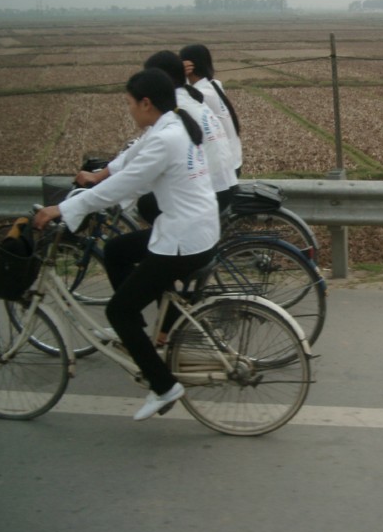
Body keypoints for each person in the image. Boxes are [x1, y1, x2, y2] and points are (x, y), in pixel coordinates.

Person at [34, 68, 219, 421]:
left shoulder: (166, 137)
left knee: (116, 311)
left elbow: (125, 185)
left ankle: (164, 386)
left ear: (146, 103)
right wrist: (99, 175)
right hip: (193, 229)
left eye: (130, 104)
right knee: (118, 251)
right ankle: (134, 332)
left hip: (184, 239)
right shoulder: (170, 126)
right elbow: (130, 162)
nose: (129, 110)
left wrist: (62, 207)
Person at [134, 50, 238, 223]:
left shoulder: (178, 107)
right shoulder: (196, 96)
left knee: (146, 206)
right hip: (226, 178)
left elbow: (147, 146)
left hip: (213, 187)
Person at [179, 44, 243, 178]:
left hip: (224, 165)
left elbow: (176, 98)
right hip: (233, 158)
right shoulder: (214, 85)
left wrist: (178, 76)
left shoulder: (202, 94)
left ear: (189, 66)